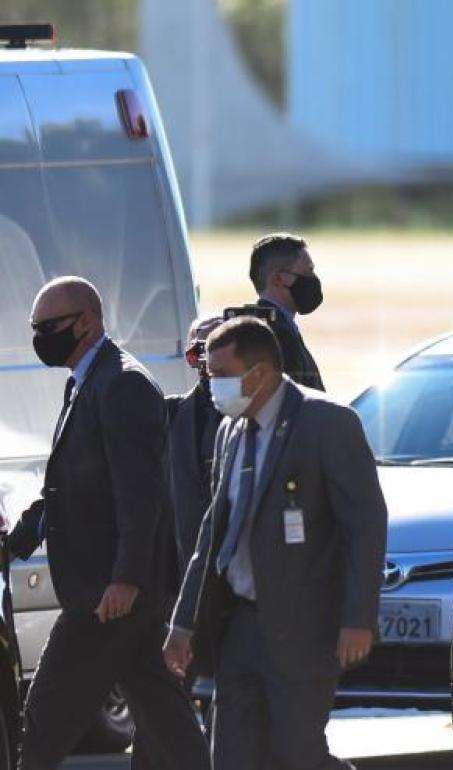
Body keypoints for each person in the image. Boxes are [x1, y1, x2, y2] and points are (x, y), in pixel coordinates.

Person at [163, 317, 387, 770]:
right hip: (241, 625)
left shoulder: (327, 424)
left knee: (298, 755)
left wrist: (358, 618)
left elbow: (365, 526)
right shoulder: (232, 430)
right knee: (231, 754)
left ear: (260, 373)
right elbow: (212, 533)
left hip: (305, 627)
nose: (212, 385)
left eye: (222, 374)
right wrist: (183, 622)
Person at [6, 277, 209, 770]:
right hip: (114, 595)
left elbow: (139, 495)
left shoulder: (122, 383)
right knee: (166, 717)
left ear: (87, 321)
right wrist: (14, 543)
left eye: (49, 327)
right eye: (35, 328)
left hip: (106, 595)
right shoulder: (87, 382)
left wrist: (126, 577)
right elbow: (69, 489)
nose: (40, 337)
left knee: (44, 719)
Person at [166, 315, 225, 577]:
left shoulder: (262, 414)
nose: (212, 361)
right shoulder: (170, 414)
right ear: (190, 358)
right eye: (202, 350)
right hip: (189, 569)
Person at [249, 232, 325, 390]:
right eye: (308, 272)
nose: (313, 279)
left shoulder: (274, 326)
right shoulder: (275, 336)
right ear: (279, 278)